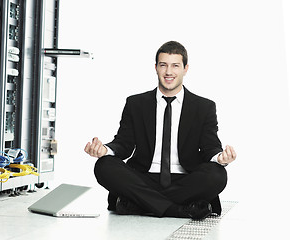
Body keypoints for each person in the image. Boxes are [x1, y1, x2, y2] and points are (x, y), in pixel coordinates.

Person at [84, 41, 236, 220]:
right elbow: (124, 144)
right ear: (156, 68)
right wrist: (105, 150)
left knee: (217, 174)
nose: (169, 72)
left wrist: (220, 158)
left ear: (185, 69)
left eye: (175, 66)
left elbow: (210, 145)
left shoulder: (204, 107)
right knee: (104, 166)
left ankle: (141, 204)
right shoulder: (136, 103)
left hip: (185, 180)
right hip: (143, 178)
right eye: (163, 65)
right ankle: (177, 210)